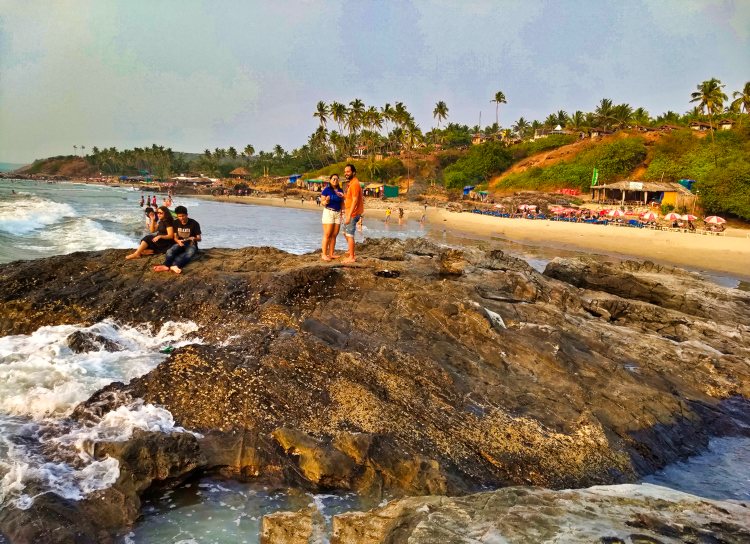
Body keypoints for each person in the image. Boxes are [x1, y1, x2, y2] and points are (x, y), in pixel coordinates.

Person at [153, 205, 201, 274]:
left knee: (189, 254)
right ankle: (166, 266)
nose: (181, 218)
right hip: (180, 243)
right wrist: (178, 241)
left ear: (187, 215)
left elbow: (199, 238)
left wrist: (194, 238)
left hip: (191, 244)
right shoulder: (176, 222)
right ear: (177, 216)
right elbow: (175, 237)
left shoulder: (194, 223)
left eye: (183, 216)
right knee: (170, 251)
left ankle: (176, 266)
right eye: (179, 216)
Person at [319, 174, 344, 261]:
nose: (335, 181)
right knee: (327, 234)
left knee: (334, 234)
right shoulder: (326, 190)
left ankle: (331, 253)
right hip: (328, 212)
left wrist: (343, 212)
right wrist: (326, 201)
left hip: (338, 213)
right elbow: (322, 202)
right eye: (333, 179)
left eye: (337, 179)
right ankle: (324, 254)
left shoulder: (340, 190)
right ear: (330, 180)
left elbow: (342, 202)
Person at [342, 164, 363, 263]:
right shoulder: (351, 183)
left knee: (349, 235)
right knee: (344, 233)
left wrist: (349, 216)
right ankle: (351, 250)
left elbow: (355, 200)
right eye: (345, 172)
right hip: (349, 212)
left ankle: (352, 257)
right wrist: (344, 195)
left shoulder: (354, 184)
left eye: (348, 171)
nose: (346, 173)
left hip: (353, 213)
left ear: (353, 172)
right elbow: (350, 198)